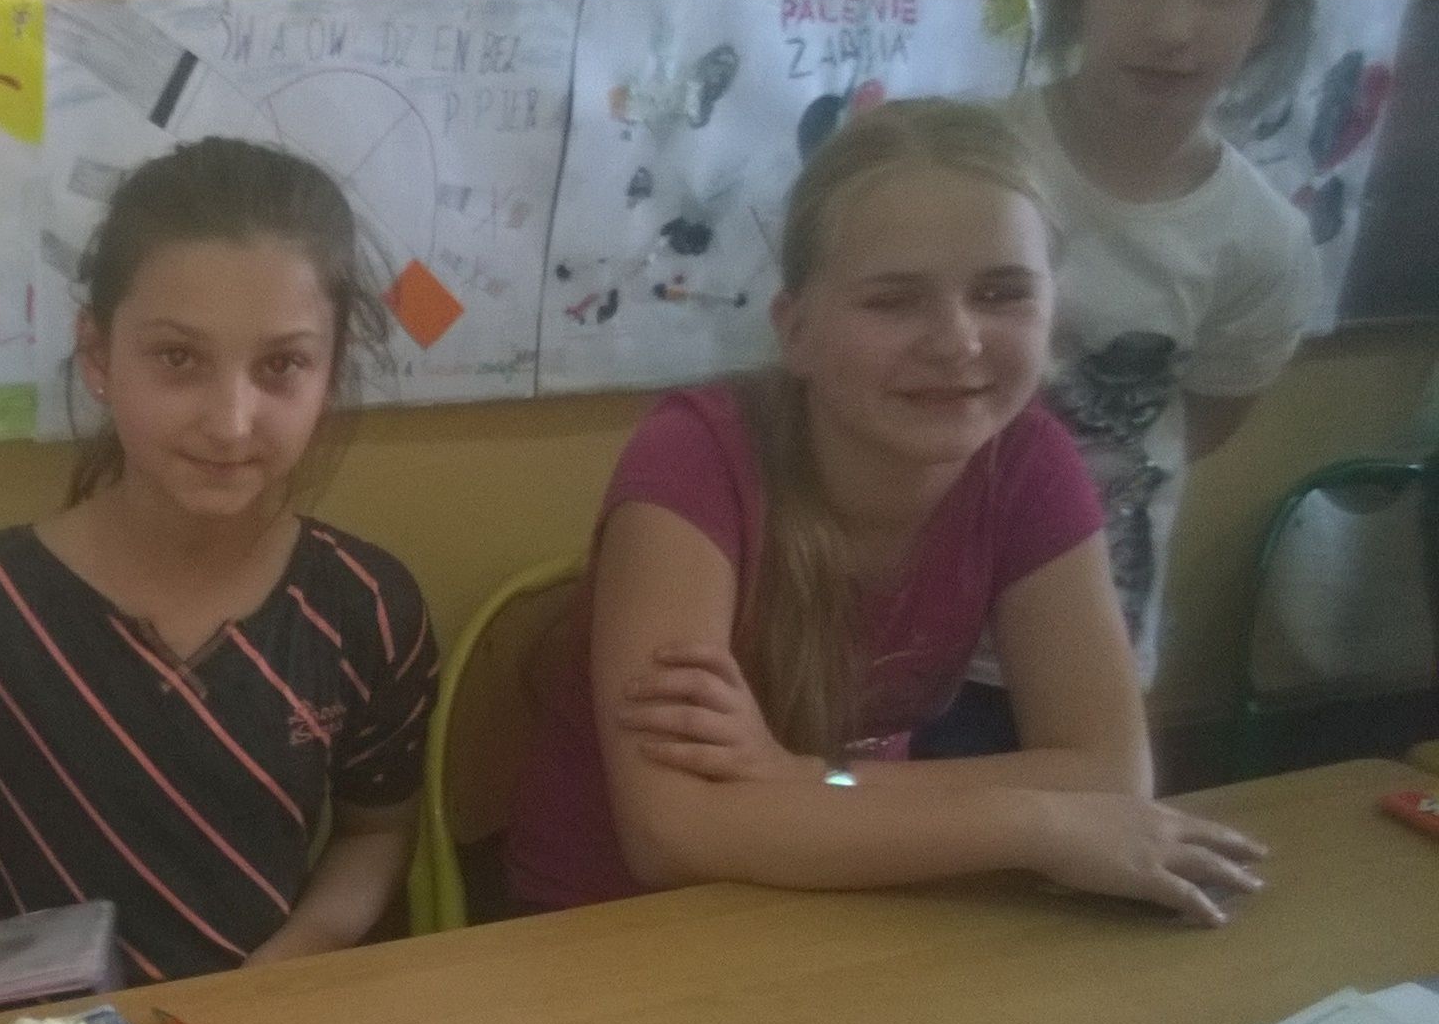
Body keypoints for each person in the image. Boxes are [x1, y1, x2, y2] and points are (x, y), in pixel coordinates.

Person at [503, 99, 1267, 923]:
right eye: (894, 301)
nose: (958, 341)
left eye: (1002, 293)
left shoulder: (1032, 461)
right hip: (618, 924)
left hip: (856, 892)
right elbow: (676, 831)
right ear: (796, 330)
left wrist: (808, 778)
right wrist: (1033, 821)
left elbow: (1112, 775)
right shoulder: (693, 457)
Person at [0, 138, 437, 985]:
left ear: (331, 373)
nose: (231, 421)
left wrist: (276, 974)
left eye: (282, 365)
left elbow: (376, 829)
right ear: (99, 357)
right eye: (179, 359)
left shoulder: (366, 607)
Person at [915, 0, 1322, 756]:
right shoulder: (959, 160)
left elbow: (1199, 424)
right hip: (898, 623)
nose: (1173, 28)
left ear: (1274, 13)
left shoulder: (1263, 242)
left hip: (1085, 646)